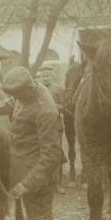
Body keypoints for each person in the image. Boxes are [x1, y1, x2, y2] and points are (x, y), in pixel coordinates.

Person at [2, 66, 61, 220]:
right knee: (40, 214)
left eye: (17, 94)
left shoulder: (44, 109)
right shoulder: (25, 94)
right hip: (27, 167)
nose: (15, 98)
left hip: (38, 175)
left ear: (28, 88)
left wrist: (27, 183)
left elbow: (51, 155)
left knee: (39, 218)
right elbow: (9, 104)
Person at [38, 64, 67, 193]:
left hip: (56, 125)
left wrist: (51, 105)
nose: (45, 78)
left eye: (48, 76)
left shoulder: (59, 89)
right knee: (41, 153)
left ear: (52, 76)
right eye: (43, 76)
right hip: (40, 126)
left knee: (56, 153)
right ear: (40, 77)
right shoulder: (36, 88)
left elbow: (64, 106)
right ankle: (43, 182)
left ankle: (57, 183)